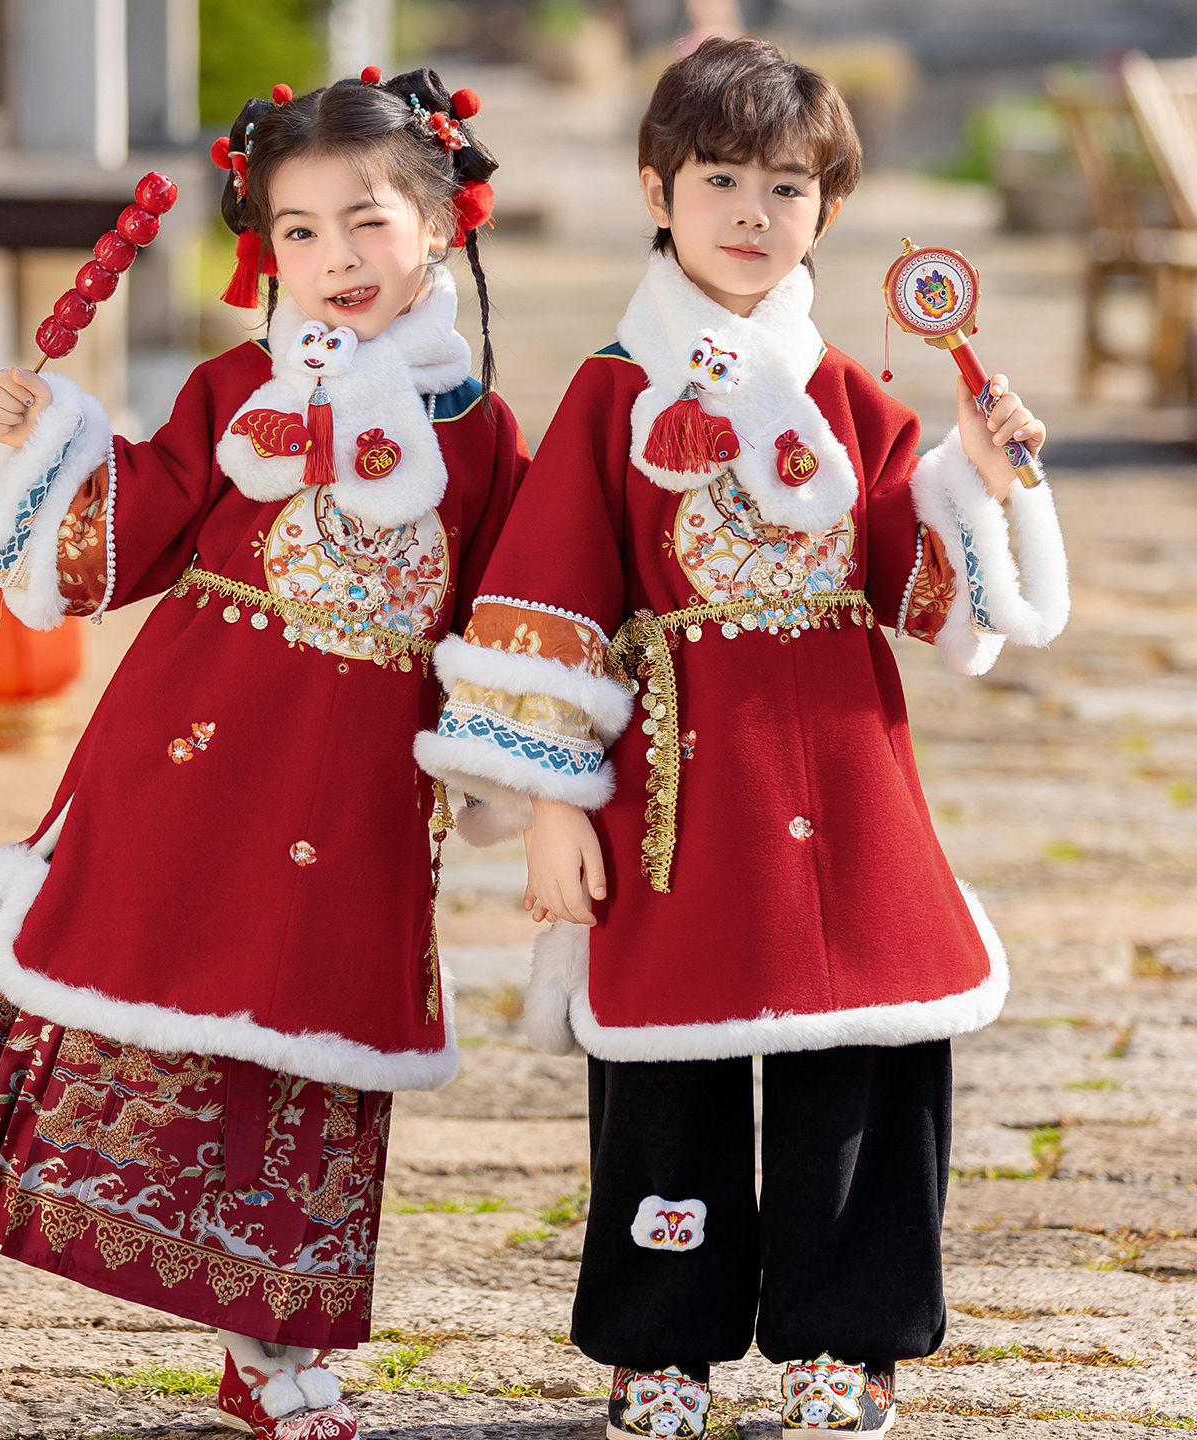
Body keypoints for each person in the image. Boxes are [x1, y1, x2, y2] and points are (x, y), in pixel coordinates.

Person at [0, 67, 527, 1440]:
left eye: (370, 222)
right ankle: (256, 1344)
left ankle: (276, 1348)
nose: (336, 259)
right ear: (264, 251)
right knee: (165, 1019)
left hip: (364, 807)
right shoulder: (235, 393)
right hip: (194, 764)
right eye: (300, 232)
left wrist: (524, 776)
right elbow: (126, 535)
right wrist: (46, 450)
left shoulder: (485, 434)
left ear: (445, 227)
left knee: (320, 1066)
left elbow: (512, 613)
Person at [415, 37, 1068, 1438]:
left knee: (867, 1051)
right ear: (660, 188)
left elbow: (918, 578)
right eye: (721, 179)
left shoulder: (847, 396)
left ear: (828, 210)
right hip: (677, 779)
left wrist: (978, 474)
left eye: (787, 184)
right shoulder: (611, 393)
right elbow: (549, 598)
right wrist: (548, 805)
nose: (753, 213)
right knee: (667, 1064)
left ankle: (848, 1338)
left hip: (844, 760)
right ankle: (662, 1339)